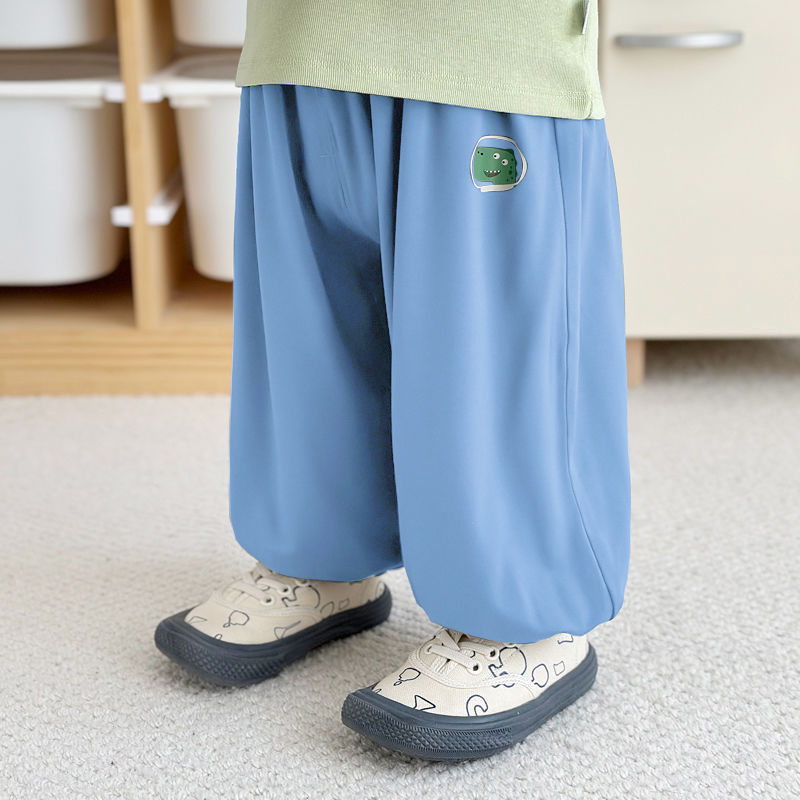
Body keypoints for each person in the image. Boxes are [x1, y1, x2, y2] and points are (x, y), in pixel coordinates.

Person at [155, 0, 631, 762]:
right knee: (308, 325)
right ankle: (321, 556)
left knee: (483, 345)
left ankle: (525, 618)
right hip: (299, 38)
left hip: (477, 45)